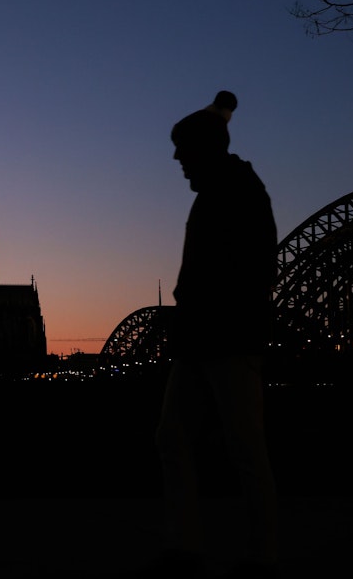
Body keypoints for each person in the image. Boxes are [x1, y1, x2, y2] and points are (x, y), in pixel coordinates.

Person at [147, 91, 279, 578]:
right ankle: (184, 548)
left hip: (228, 339)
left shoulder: (238, 188)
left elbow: (258, 267)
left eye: (182, 149)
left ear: (204, 148)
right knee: (173, 438)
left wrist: (218, 312)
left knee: (244, 446)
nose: (177, 158)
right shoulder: (218, 189)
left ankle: (262, 556)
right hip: (200, 340)